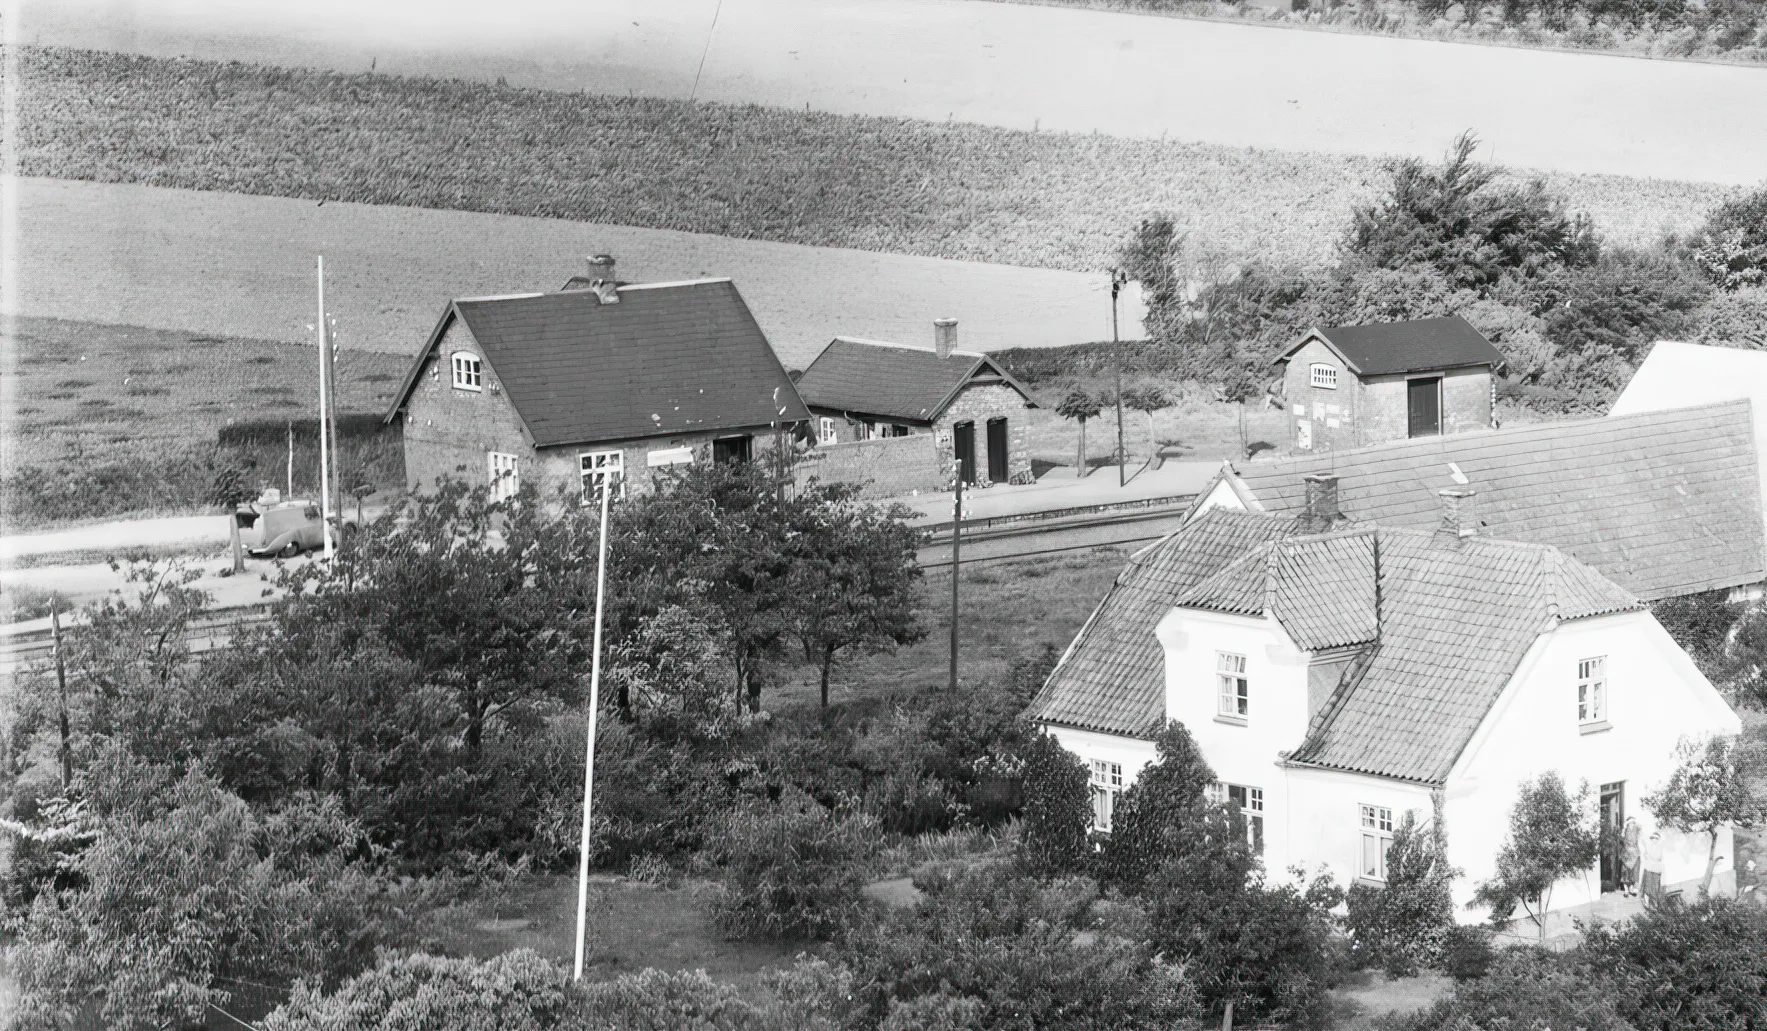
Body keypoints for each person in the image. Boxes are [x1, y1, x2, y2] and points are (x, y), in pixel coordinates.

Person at [1642, 830, 1665, 905]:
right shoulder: (1649, 847)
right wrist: (1647, 856)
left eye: (1656, 838)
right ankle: (1646, 902)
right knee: (1648, 885)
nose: (1654, 840)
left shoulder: (1660, 847)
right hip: (1649, 868)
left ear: (1658, 839)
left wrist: (1650, 855)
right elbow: (1645, 855)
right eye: (1653, 838)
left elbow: (1659, 857)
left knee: (1655, 886)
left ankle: (1655, 903)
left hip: (1656, 869)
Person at [1620, 817, 1642, 896]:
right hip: (1626, 853)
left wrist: (1634, 822)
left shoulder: (1636, 831)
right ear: (1628, 824)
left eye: (1633, 823)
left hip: (1635, 854)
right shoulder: (1625, 831)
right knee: (1625, 872)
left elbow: (1640, 827)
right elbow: (1622, 837)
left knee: (1633, 873)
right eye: (1630, 823)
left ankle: (1631, 889)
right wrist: (1625, 826)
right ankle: (1626, 890)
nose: (1631, 825)